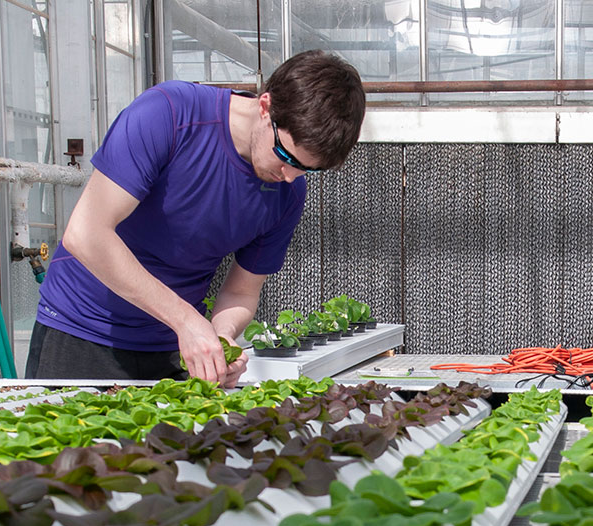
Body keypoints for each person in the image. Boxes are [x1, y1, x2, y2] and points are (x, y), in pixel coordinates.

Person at [25, 51, 366, 385]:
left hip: (173, 351)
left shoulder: (288, 193)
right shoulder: (169, 114)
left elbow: (242, 292)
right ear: (265, 107)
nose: (290, 175)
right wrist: (186, 320)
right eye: (285, 155)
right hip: (82, 332)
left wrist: (221, 338)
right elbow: (86, 233)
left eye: (308, 169)